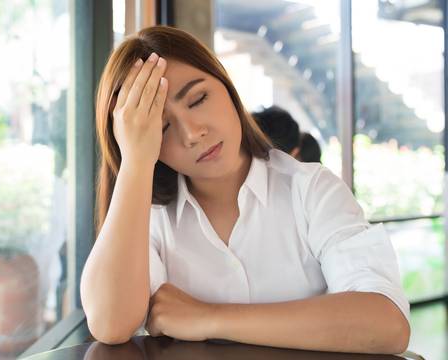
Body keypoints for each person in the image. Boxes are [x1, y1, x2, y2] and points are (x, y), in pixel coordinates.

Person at [80, 25, 409, 354]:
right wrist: (136, 161)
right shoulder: (148, 218)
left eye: (198, 99)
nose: (193, 133)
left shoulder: (310, 191)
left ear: (226, 86)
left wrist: (208, 317)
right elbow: (110, 323)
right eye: (162, 126)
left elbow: (387, 324)